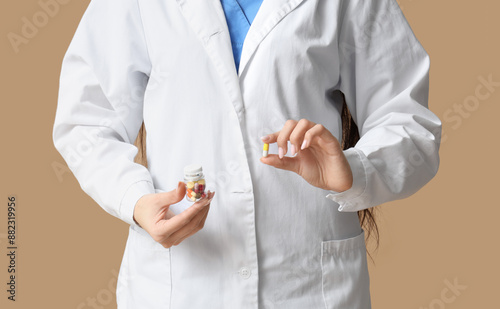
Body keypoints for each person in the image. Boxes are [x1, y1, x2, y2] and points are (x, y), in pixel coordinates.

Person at [52, 0, 442, 308]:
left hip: (307, 288)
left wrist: (354, 171)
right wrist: (135, 199)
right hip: (181, 287)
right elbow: (86, 120)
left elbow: (410, 123)